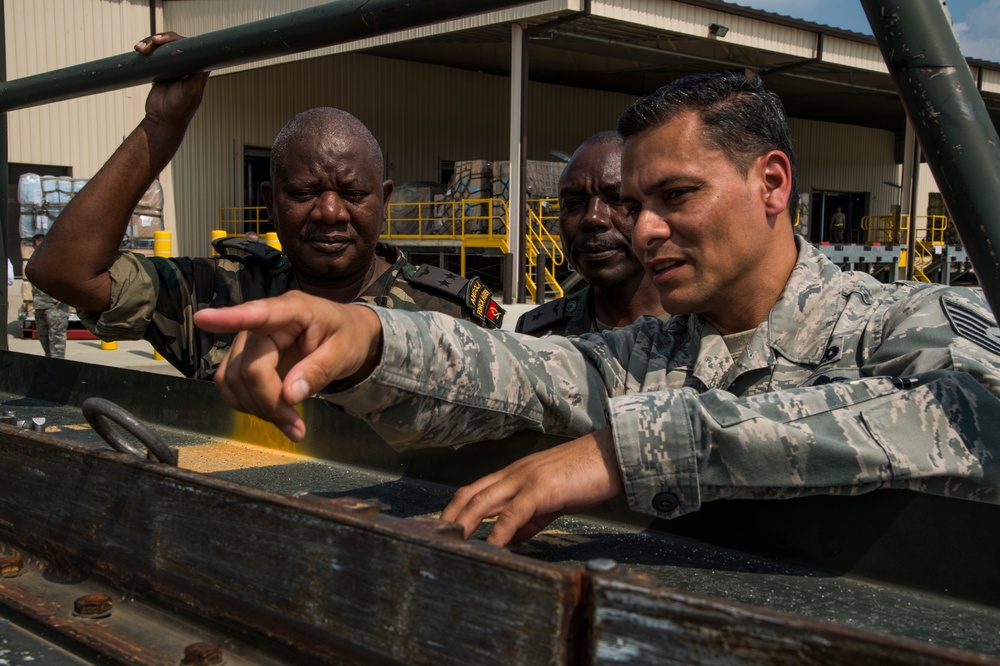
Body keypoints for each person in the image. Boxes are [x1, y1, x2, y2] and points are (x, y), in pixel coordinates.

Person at [193, 71, 1000, 547]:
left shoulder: (903, 321)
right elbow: (519, 369)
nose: (644, 230)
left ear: (773, 184)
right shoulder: (650, 351)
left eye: (676, 196)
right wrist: (366, 338)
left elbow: (972, 417)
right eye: (637, 202)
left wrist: (627, 451)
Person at [25, 33, 503, 380]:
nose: (330, 212)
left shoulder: (448, 313)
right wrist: (162, 123)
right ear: (270, 205)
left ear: (385, 201)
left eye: (354, 194)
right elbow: (62, 270)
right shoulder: (221, 294)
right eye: (304, 192)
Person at [515, 131, 665, 336]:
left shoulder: (708, 331)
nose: (593, 218)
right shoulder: (539, 334)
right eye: (572, 204)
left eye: (617, 199)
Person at [29, 234, 70, 359]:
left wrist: (61, 295)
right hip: (40, 305)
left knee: (56, 341)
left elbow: (70, 279)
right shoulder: (35, 261)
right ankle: (49, 366)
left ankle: (58, 368)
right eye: (36, 247)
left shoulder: (58, 260)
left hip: (55, 308)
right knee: (44, 338)